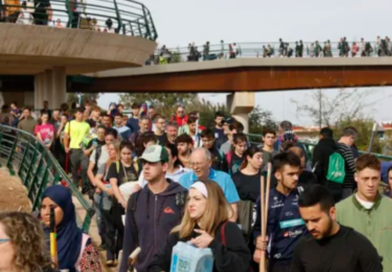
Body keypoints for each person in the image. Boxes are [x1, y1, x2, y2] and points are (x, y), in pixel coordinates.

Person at [148, 180, 251, 272]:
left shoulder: (228, 229)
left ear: (211, 202)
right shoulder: (180, 233)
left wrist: (213, 244)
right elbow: (155, 264)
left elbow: (241, 265)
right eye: (189, 199)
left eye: (197, 199)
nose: (190, 204)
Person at [119, 145, 188, 272]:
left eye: (151, 163)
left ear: (164, 166)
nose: (145, 167)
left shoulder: (182, 197)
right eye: (144, 162)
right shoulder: (135, 199)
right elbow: (129, 240)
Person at [291, 184, 383, 272]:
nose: (310, 227)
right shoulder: (302, 247)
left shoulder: (360, 245)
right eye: (306, 221)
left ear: (332, 213)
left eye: (315, 220)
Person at [336, 154, 392, 272]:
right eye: (365, 179)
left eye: (375, 178)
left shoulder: (390, 207)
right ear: (356, 177)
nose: (370, 184)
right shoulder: (339, 211)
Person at [253, 151, 306, 272]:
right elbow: (257, 229)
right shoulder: (265, 199)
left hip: (304, 259)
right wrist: (258, 240)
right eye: (291, 174)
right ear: (277, 175)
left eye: (297, 173)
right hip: (278, 261)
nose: (296, 178)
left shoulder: (305, 194)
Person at [41, 185, 101, 271]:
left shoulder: (82, 243)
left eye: (52, 207)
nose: (46, 213)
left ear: (65, 208)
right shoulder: (33, 238)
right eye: (43, 207)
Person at [178, 148, 239, 221]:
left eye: (198, 163)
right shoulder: (183, 180)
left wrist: (226, 229)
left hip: (218, 224)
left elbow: (232, 210)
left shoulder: (224, 178)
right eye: (192, 164)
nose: (195, 167)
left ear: (209, 163)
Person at [63, 108, 91, 192]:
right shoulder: (70, 123)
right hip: (73, 149)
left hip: (83, 150)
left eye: (82, 113)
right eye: (79, 113)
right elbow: (65, 136)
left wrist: (83, 146)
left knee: (85, 167)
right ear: (75, 114)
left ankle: (84, 185)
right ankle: (75, 187)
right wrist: (65, 147)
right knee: (74, 170)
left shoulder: (87, 125)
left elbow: (88, 137)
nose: (81, 115)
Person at [336, 127, 357, 200]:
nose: (353, 142)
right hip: (346, 184)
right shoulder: (346, 149)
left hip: (336, 182)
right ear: (350, 137)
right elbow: (353, 168)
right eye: (353, 139)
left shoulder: (335, 146)